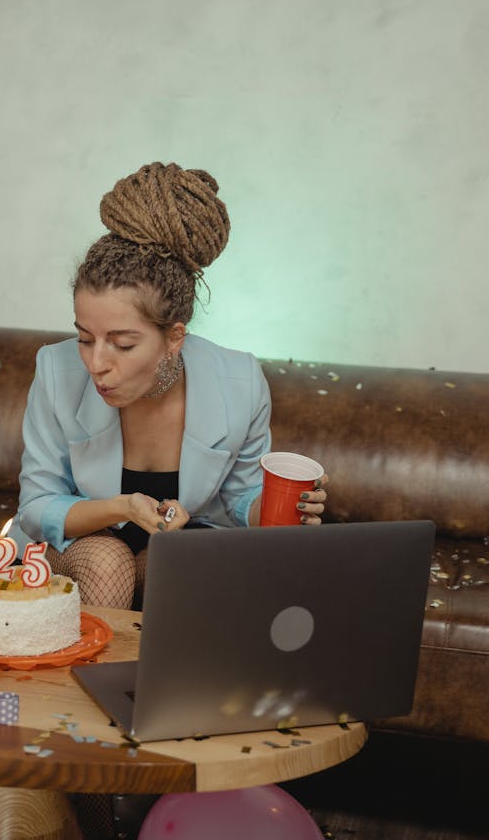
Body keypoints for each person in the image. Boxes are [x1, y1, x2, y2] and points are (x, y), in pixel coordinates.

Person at [16, 161, 326, 609]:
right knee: (108, 559)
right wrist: (123, 508)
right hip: (81, 547)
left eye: (122, 344)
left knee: (184, 558)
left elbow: (240, 497)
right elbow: (38, 504)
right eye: (85, 338)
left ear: (174, 338)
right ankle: (95, 681)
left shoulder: (239, 383)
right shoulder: (55, 370)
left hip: (173, 549)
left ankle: (159, 681)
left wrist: (285, 509)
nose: (96, 363)